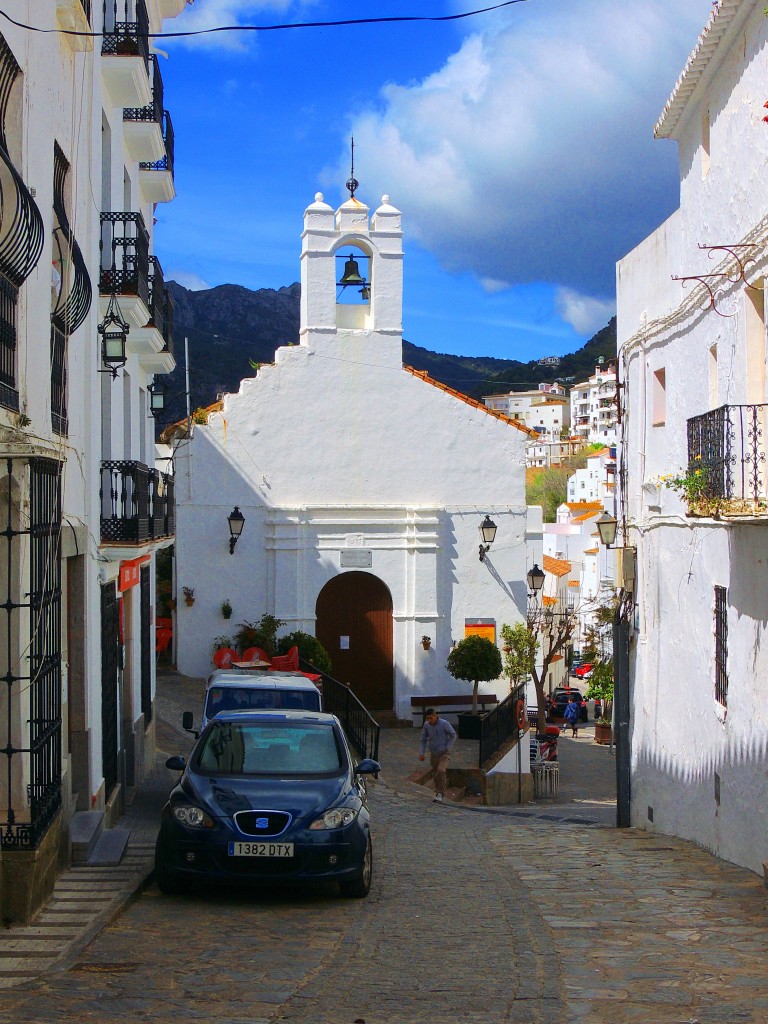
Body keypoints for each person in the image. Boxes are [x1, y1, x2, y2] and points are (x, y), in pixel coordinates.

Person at [418, 708, 456, 803]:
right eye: (427, 718)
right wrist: (421, 753)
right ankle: (438, 791)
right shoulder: (426, 725)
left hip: (444, 753)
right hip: (434, 754)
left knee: (441, 770)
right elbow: (423, 739)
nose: (429, 720)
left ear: (435, 716)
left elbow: (453, 735)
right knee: (436, 774)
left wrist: (447, 747)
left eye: (431, 718)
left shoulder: (444, 724)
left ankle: (440, 794)